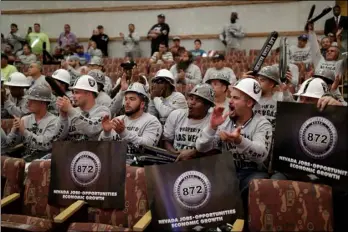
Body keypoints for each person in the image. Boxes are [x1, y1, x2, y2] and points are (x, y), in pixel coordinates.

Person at [195, 78, 272, 217]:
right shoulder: (225, 121)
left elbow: (262, 155)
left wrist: (239, 140)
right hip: (227, 170)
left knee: (254, 185)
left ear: (249, 102)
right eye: (231, 97)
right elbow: (201, 147)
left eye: (235, 98)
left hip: (252, 172)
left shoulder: (262, 124)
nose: (230, 101)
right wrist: (212, 127)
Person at [99, 82, 162, 164]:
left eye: (132, 99)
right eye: (126, 99)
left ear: (142, 104)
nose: (127, 102)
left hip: (137, 170)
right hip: (113, 166)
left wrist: (124, 133)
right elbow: (101, 149)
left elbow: (148, 147)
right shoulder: (117, 119)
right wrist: (106, 133)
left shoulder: (152, 121)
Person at [6, 84, 57, 162]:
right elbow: (9, 144)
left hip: (43, 163)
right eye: (28, 100)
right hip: (25, 160)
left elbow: (45, 145)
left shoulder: (54, 121)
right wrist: (14, 130)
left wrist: (24, 131)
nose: (28, 104)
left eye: (32, 101)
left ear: (43, 103)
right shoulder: (25, 119)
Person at [163, 84, 214, 161]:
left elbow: (216, 150)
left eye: (198, 100)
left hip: (202, 164)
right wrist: (175, 154)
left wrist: (194, 153)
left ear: (208, 106)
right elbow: (167, 140)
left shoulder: (213, 122)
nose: (192, 102)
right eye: (191, 98)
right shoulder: (176, 115)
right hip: (175, 162)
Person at [54, 75, 111, 142]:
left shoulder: (103, 111)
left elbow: (92, 129)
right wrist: (63, 116)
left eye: (77, 92)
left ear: (89, 93)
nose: (73, 96)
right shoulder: (71, 111)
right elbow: (58, 137)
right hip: (71, 151)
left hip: (92, 151)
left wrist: (70, 110)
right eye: (73, 92)